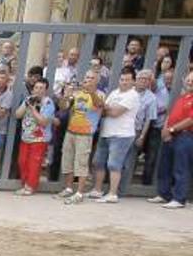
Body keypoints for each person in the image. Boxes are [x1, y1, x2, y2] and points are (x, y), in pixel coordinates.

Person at [89, 69, 140, 203]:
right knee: (98, 162)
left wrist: (106, 108)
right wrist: (107, 108)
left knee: (114, 164)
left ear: (133, 81)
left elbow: (115, 112)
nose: (124, 82)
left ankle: (112, 193)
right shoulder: (114, 93)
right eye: (122, 79)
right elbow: (104, 111)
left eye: (127, 80)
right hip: (106, 132)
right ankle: (97, 190)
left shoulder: (133, 95)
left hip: (122, 134)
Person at [57, 69, 105, 204]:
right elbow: (63, 107)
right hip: (71, 131)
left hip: (86, 133)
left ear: (97, 81)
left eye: (91, 78)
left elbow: (100, 105)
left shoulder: (100, 94)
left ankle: (79, 192)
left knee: (81, 163)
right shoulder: (77, 93)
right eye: (87, 77)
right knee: (68, 160)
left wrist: (91, 92)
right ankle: (68, 188)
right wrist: (66, 95)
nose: (88, 80)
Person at [149, 70, 193, 209]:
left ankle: (179, 199)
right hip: (171, 135)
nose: (190, 82)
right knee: (165, 166)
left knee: (181, 168)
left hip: (185, 136)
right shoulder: (182, 97)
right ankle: (164, 194)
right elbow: (171, 114)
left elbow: (191, 120)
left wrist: (172, 129)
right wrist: (165, 129)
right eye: (189, 79)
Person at [13, 78, 55, 196]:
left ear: (46, 90)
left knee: (34, 163)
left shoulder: (48, 103)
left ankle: (30, 187)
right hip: (26, 137)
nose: (38, 90)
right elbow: (17, 114)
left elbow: (43, 122)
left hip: (39, 139)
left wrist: (32, 109)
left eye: (41, 88)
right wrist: (26, 104)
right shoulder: (28, 99)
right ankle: (25, 184)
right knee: (22, 161)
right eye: (36, 88)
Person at [120, 69, 158, 194]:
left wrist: (142, 136)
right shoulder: (127, 91)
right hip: (120, 127)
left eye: (146, 79)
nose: (143, 81)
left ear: (149, 82)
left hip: (135, 130)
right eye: (141, 78)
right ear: (136, 79)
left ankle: (123, 189)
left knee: (130, 161)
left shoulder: (151, 98)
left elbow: (148, 120)